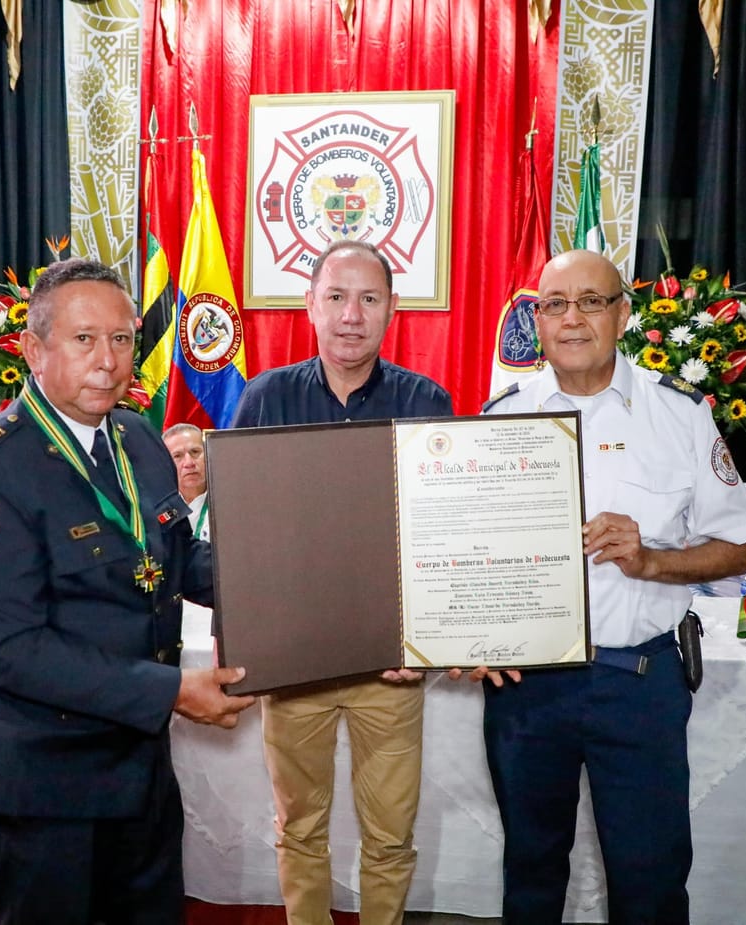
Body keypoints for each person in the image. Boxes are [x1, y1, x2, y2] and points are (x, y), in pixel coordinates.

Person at [0, 257, 255, 925]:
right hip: (47, 790)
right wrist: (170, 691)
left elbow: (172, 559)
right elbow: (14, 651)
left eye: (121, 339)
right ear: (34, 348)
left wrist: (274, 578)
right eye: (84, 339)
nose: (108, 361)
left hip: (141, 776)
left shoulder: (138, 439)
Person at [464, 249, 746, 925]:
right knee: (531, 877)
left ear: (622, 312)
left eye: (591, 301)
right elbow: (474, 553)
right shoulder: (499, 418)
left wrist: (652, 560)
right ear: (537, 320)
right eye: (555, 304)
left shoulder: (679, 415)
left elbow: (740, 546)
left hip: (640, 681)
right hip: (527, 689)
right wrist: (472, 631)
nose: (572, 319)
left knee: (650, 882)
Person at [230, 240, 453, 925]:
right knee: (300, 829)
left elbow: (445, 536)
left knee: (389, 836)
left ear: (392, 310)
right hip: (295, 666)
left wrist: (425, 646)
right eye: (336, 297)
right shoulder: (267, 397)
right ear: (310, 306)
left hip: (391, 668)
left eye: (368, 298)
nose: (351, 315)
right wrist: (256, 642)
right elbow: (241, 531)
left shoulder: (427, 402)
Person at [162, 422, 209, 540]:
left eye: (195, 452)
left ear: (208, 453)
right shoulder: (160, 509)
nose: (189, 463)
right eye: (177, 456)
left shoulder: (229, 502)